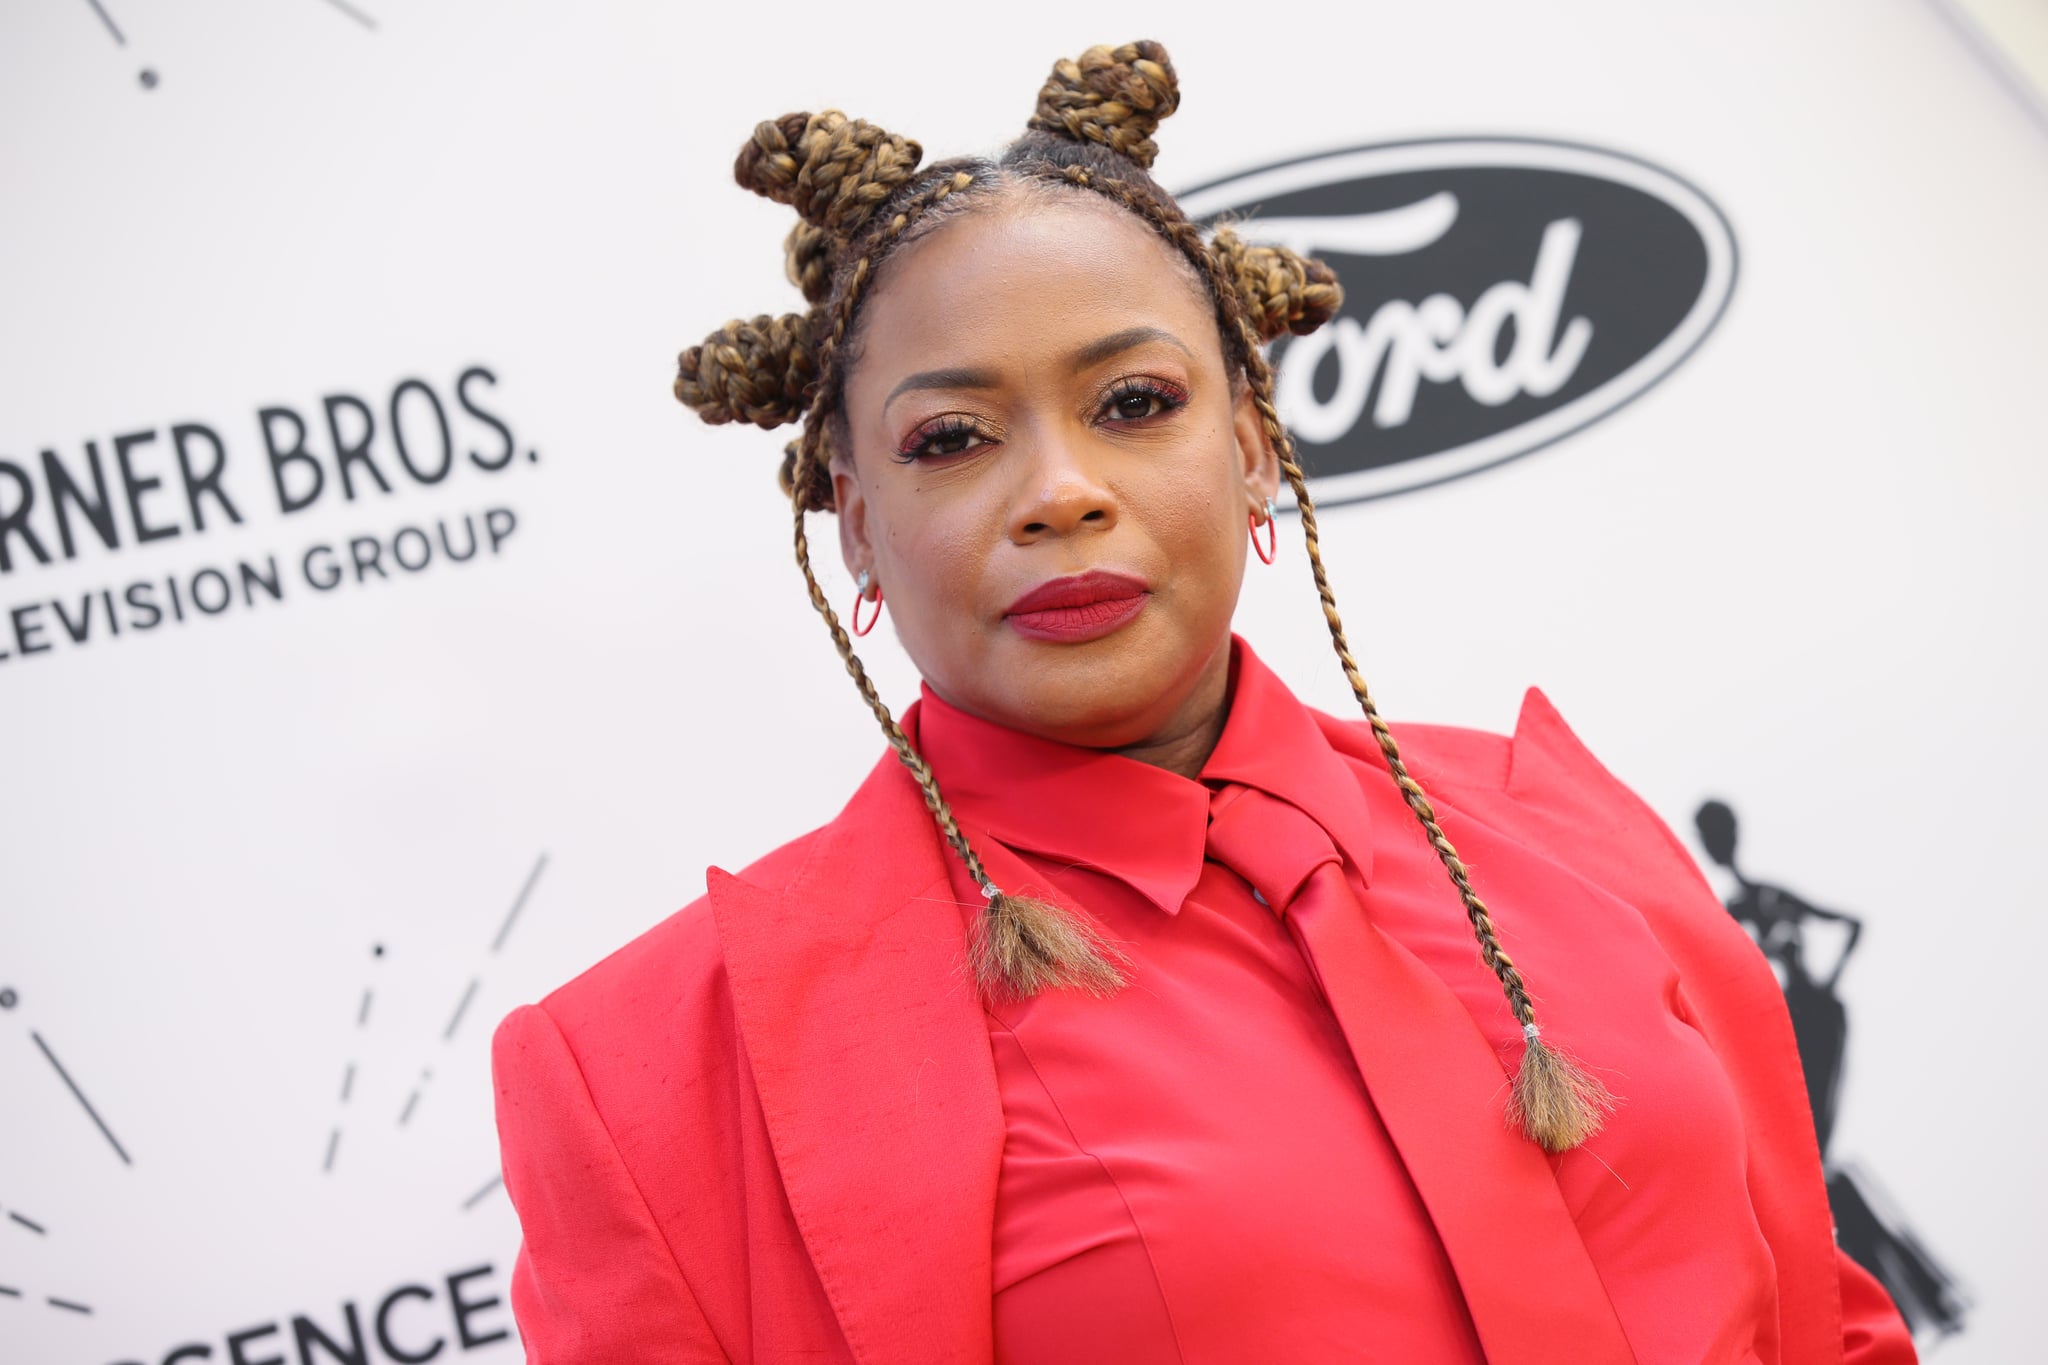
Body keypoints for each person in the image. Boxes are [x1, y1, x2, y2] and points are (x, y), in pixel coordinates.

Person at [489, 40, 1916, 1364]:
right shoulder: (658, 1074)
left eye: (1133, 403)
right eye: (952, 437)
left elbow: (1829, 1319)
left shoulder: (1559, 827)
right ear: (854, 524)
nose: (1060, 491)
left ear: (1250, 440)